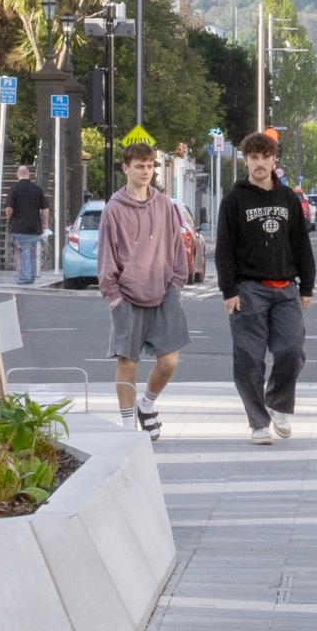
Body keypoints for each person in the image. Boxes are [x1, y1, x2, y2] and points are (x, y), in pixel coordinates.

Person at [215, 128, 317, 444]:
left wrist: (307, 286)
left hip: (286, 287)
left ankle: (277, 403)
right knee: (249, 357)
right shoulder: (234, 199)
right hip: (248, 289)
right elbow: (224, 248)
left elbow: (301, 243)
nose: (260, 163)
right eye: (254, 158)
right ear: (246, 161)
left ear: (275, 160)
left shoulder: (288, 198)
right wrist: (228, 290)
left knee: (292, 350)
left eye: (266, 157)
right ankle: (258, 422)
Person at [98, 136, 200, 436]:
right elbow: (106, 257)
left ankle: (147, 404)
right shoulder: (113, 210)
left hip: (164, 291)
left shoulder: (165, 206)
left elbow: (177, 247)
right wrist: (113, 296)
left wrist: (177, 283)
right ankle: (128, 424)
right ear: (125, 169)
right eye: (139, 166)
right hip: (127, 295)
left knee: (169, 360)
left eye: (149, 166)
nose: (146, 172)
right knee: (128, 363)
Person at [5, 158, 51, 287]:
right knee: (31, 252)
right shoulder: (37, 189)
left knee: (24, 251)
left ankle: (25, 277)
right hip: (35, 226)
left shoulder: (14, 189)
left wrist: (9, 218)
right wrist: (45, 225)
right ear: (29, 174)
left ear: (17, 175)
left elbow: (9, 208)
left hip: (19, 226)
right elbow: (45, 208)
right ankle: (30, 276)